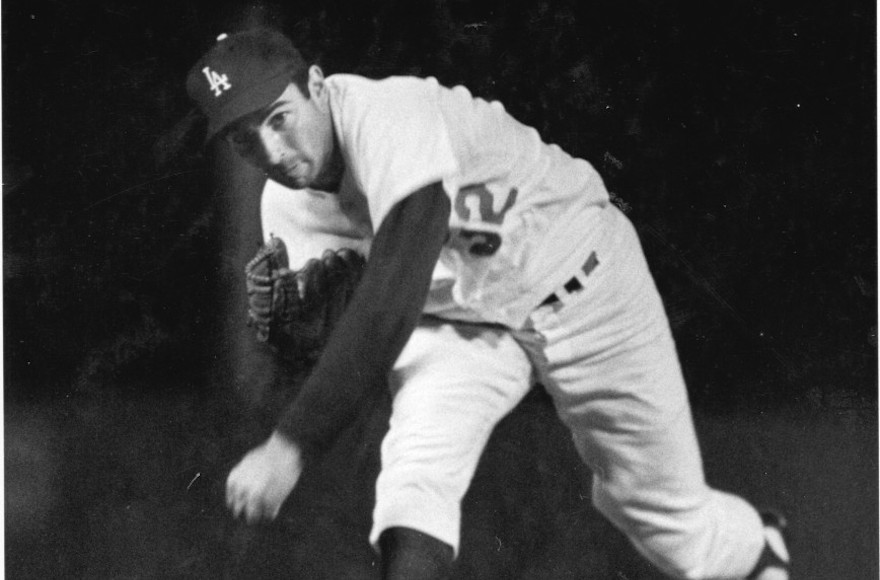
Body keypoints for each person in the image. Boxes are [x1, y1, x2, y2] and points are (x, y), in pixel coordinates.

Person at [186, 28, 790, 580]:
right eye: (245, 139)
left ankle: (756, 550)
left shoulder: (389, 112)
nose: (271, 150)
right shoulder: (284, 210)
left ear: (316, 86)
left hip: (581, 280)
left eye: (279, 118)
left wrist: (289, 444)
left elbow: (394, 284)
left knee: (662, 519)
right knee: (413, 480)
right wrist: (300, 343)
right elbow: (340, 335)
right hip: (459, 323)